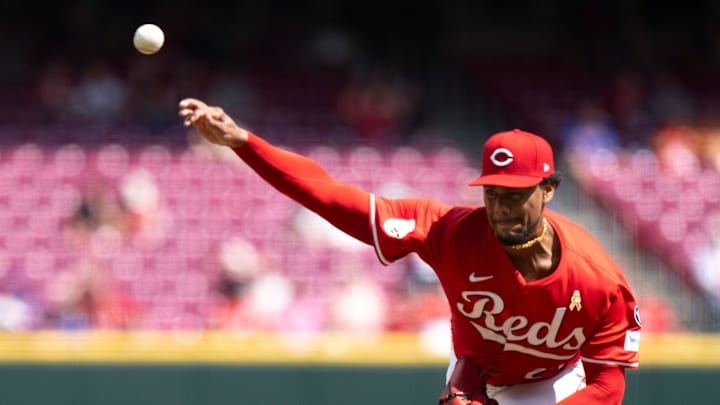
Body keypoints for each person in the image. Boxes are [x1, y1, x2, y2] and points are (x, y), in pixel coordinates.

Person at [178, 98, 642, 405]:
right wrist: (245, 143)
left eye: (516, 194)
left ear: (548, 191)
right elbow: (329, 194)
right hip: (477, 373)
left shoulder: (597, 279)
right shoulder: (447, 231)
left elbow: (607, 385)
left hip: (554, 386)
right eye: (493, 192)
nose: (501, 207)